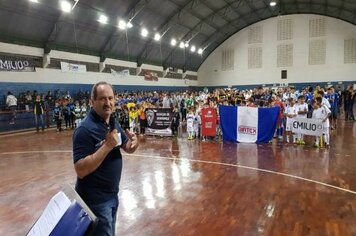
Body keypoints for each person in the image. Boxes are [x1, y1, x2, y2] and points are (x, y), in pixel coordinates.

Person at [72, 81, 138, 236]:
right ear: (92, 101)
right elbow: (80, 169)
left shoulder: (112, 122)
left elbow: (126, 146)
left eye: (110, 98)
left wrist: (134, 143)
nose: (108, 102)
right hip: (95, 201)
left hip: (112, 196)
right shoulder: (84, 129)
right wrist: (107, 146)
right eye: (102, 98)